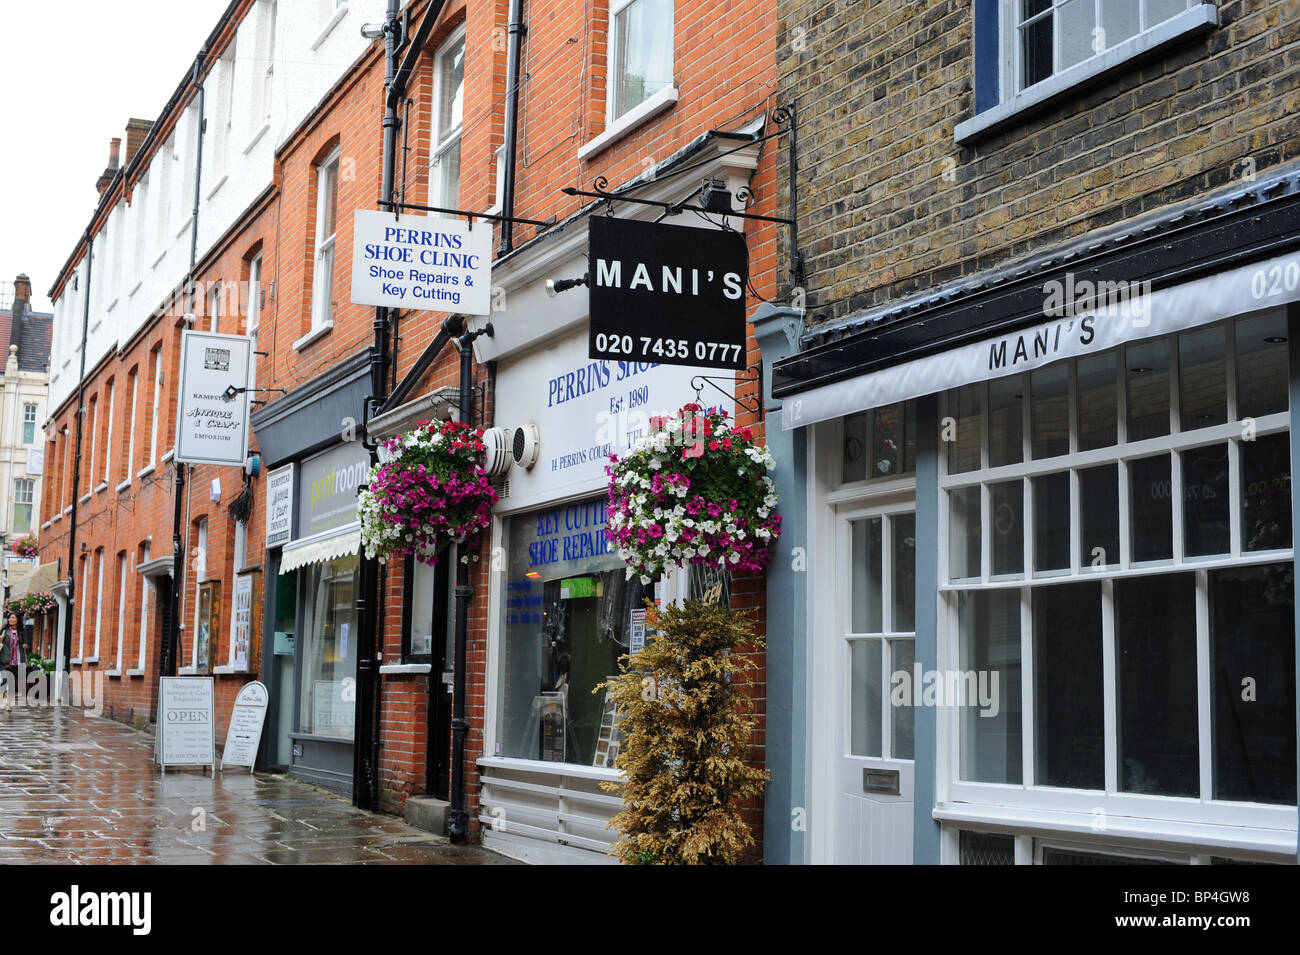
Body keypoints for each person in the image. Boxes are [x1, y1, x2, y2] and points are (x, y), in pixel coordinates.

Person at [0, 612, 25, 711]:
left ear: (17, 619)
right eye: (9, 617)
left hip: (16, 661)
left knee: (12, 683)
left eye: (13, 617)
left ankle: (9, 705)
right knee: (6, 680)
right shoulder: (4, 630)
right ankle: (1, 703)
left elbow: (24, 645)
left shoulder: (22, 632)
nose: (10, 619)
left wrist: (25, 647)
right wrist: (0, 640)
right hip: (4, 660)